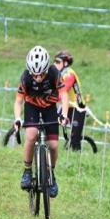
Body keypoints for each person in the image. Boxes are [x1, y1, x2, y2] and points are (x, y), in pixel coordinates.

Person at [14, 46, 69, 198]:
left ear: (47, 69)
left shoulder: (54, 73)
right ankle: (27, 171)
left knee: (53, 145)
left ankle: (51, 174)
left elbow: (64, 95)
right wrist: (17, 118)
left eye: (41, 74)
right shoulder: (25, 77)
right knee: (31, 135)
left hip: (49, 107)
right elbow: (18, 101)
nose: (38, 78)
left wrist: (64, 115)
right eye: (35, 74)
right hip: (31, 106)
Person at [54, 50, 87, 151]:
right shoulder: (60, 74)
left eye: (57, 61)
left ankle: (76, 154)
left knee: (75, 139)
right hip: (68, 106)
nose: (55, 64)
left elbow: (63, 92)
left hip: (78, 108)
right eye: (54, 61)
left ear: (65, 63)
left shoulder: (69, 74)